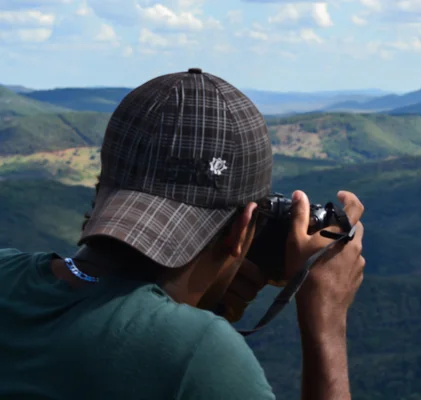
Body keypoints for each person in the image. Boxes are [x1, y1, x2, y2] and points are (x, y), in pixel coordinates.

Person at [0, 68, 366, 400]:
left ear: (100, 193)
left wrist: (195, 305)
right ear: (242, 229)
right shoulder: (198, 352)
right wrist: (327, 322)